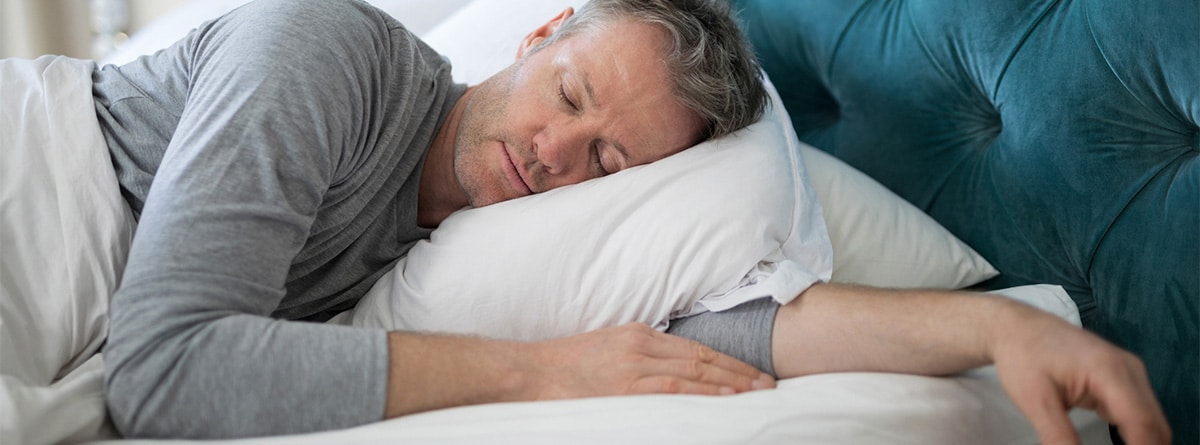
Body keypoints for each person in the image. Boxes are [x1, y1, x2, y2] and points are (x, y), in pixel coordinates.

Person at [90, 0, 1169, 443]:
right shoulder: (324, 54)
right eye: (568, 96)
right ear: (541, 34)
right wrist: (540, 374)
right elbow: (162, 375)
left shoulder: (467, 255)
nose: (557, 152)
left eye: (607, 159)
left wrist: (1000, 330)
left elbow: (732, 337)